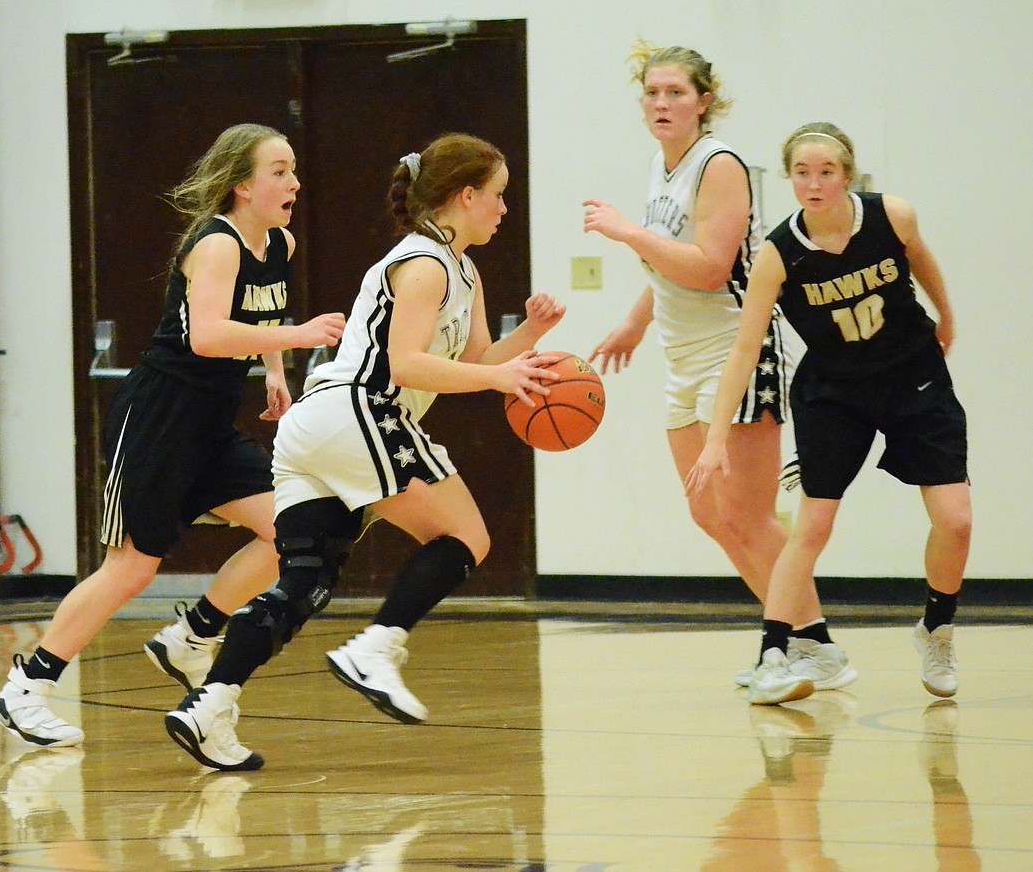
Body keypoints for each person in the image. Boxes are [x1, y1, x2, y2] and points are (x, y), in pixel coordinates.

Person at [164, 132, 566, 771]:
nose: (503, 209)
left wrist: (531, 335)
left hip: (320, 426)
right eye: (497, 196)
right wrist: (497, 379)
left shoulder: (461, 267)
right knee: (467, 538)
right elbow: (407, 365)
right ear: (465, 196)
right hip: (362, 411)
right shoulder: (426, 264)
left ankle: (209, 702)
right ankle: (378, 646)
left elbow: (475, 360)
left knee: (306, 581)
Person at [0, 123, 346, 748]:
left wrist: (272, 375)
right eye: (280, 170)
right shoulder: (215, 246)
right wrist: (298, 338)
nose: (295, 182)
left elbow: (260, 312)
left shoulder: (279, 243)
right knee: (132, 567)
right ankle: (26, 689)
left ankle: (194, 635)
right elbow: (207, 335)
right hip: (156, 419)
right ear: (242, 184)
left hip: (210, 424)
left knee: (294, 524)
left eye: (292, 169)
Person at [686, 122, 971, 706]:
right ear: (790, 177)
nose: (814, 185)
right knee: (812, 525)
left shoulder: (891, 215)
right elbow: (743, 349)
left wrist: (945, 314)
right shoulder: (779, 254)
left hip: (912, 375)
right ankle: (776, 651)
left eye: (827, 173)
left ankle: (936, 627)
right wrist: (716, 439)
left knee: (957, 519)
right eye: (801, 173)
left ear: (848, 175)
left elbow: (922, 261)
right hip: (834, 392)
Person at [582, 42, 803, 683]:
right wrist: (634, 319)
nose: (661, 103)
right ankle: (810, 639)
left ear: (704, 101)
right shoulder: (663, 163)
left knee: (746, 514)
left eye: (676, 92)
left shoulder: (718, 164)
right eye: (652, 92)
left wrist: (626, 232)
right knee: (708, 512)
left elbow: (710, 270)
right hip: (681, 357)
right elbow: (671, 263)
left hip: (735, 349)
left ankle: (796, 643)